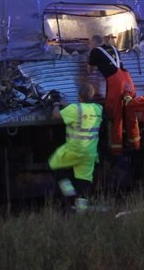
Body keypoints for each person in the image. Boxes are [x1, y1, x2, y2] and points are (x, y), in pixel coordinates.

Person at [48, 83, 103, 212]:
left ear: (78, 97)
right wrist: (67, 105)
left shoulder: (74, 109)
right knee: (84, 183)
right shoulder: (98, 109)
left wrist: (56, 104)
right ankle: (80, 213)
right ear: (92, 96)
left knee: (54, 165)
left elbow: (56, 115)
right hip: (90, 153)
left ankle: (69, 192)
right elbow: (83, 110)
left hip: (74, 150)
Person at [88, 33, 140, 157]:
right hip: (128, 80)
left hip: (116, 83)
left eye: (89, 43)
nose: (88, 45)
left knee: (115, 116)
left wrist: (88, 57)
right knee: (130, 114)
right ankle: (135, 145)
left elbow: (89, 71)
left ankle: (116, 150)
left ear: (94, 43)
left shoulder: (95, 51)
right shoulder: (114, 49)